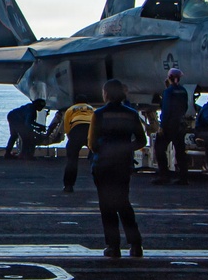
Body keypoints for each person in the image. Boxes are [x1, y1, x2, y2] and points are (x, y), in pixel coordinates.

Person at [87, 79, 147, 258]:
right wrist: (126, 149)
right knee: (124, 203)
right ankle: (136, 244)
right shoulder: (131, 114)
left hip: (103, 164)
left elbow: (91, 143)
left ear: (105, 93)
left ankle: (113, 246)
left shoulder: (99, 114)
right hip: (123, 163)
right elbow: (141, 140)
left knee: (107, 206)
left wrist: (104, 151)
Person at [152, 68, 190, 185]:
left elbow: (166, 109)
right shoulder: (183, 91)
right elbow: (185, 107)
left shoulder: (168, 92)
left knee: (159, 148)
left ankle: (164, 175)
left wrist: (162, 126)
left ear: (169, 77)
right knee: (180, 150)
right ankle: (183, 177)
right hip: (180, 123)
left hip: (169, 124)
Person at [61, 99, 95, 192]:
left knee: (72, 161)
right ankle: (103, 183)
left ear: (75, 102)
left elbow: (67, 128)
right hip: (91, 129)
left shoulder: (71, 109)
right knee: (98, 157)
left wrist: (72, 141)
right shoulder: (93, 109)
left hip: (77, 129)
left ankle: (68, 185)